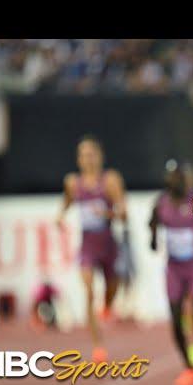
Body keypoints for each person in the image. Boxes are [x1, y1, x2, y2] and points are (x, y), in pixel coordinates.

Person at [56, 135, 127, 363]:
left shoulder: (110, 180)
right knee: (88, 291)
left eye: (91, 155)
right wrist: (60, 216)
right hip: (87, 246)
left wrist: (107, 213)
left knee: (111, 288)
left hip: (107, 245)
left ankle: (107, 306)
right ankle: (98, 345)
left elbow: (124, 213)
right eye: (82, 155)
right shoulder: (72, 183)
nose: (87, 160)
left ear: (100, 157)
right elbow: (67, 201)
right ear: (78, 160)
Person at [150, 159, 193, 385]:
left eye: (179, 178)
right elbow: (153, 223)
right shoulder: (161, 203)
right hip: (174, 268)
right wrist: (154, 239)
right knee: (175, 319)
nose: (175, 182)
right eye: (171, 178)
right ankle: (189, 365)